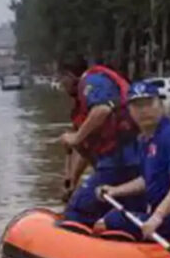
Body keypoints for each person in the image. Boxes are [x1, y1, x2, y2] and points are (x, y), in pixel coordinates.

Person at [95, 81, 170, 241]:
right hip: (166, 215)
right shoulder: (145, 140)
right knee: (118, 211)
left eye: (149, 104)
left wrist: (157, 217)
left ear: (161, 105)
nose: (144, 111)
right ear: (130, 111)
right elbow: (149, 180)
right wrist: (115, 190)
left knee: (112, 220)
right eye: (137, 106)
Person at [56, 56, 141, 226]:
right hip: (120, 162)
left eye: (61, 79)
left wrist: (75, 137)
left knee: (76, 212)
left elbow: (102, 109)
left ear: (68, 76)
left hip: (120, 161)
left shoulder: (92, 82)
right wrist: (73, 180)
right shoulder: (86, 100)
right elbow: (88, 148)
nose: (61, 85)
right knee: (125, 214)